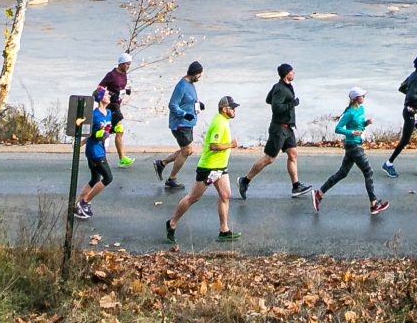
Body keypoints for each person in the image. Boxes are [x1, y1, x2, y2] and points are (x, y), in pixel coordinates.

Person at [164, 94, 238, 243]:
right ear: (224, 109)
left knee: (225, 195)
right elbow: (213, 146)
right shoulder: (219, 123)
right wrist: (231, 145)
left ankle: (224, 230)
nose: (234, 110)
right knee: (193, 198)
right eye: (232, 108)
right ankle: (172, 223)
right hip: (209, 168)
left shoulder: (224, 121)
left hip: (220, 167)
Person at [311, 87, 388, 215]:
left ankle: (319, 194)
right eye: (362, 95)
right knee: (368, 171)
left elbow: (358, 125)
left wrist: (366, 123)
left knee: (342, 173)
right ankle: (374, 204)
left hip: (356, 144)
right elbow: (338, 128)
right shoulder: (350, 112)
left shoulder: (361, 109)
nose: (364, 97)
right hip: (353, 146)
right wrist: (351, 132)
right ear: (355, 98)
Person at [243, 61, 305, 195]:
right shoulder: (280, 89)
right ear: (285, 74)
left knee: (293, 154)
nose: (293, 73)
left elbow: (268, 99)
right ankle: (245, 181)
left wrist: (286, 103)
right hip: (279, 129)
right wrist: (292, 104)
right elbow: (276, 108)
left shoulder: (283, 86)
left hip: (287, 128)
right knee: (269, 158)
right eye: (291, 71)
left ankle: (296, 186)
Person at [157, 60, 205, 190]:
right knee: (187, 150)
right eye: (199, 75)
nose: (200, 77)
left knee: (187, 150)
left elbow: (188, 99)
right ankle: (171, 179)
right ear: (194, 73)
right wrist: (184, 114)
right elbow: (172, 105)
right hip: (180, 124)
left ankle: (162, 163)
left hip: (187, 123)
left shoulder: (190, 84)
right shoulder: (182, 86)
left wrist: (198, 104)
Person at [386, 53, 417, 175]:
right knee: (405, 140)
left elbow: (402, 88)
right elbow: (411, 95)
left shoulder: (414, 75)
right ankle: (388, 163)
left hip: (415, 113)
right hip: (410, 113)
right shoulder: (416, 78)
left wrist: (414, 98)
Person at [75, 85, 117, 218]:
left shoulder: (109, 113)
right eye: (106, 95)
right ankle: (85, 202)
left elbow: (107, 130)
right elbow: (88, 131)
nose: (109, 96)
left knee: (95, 178)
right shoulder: (94, 114)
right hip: (94, 151)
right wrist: (86, 140)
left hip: (101, 150)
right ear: (100, 98)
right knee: (108, 178)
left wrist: (109, 133)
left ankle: (77, 206)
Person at [96, 52, 134, 166]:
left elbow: (121, 87)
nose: (128, 66)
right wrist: (109, 94)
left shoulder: (124, 74)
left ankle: (121, 158)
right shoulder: (111, 75)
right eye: (127, 64)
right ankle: (100, 156)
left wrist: (126, 91)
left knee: (118, 130)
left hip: (117, 105)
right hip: (109, 106)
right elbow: (99, 88)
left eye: (129, 64)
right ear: (121, 64)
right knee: (107, 131)